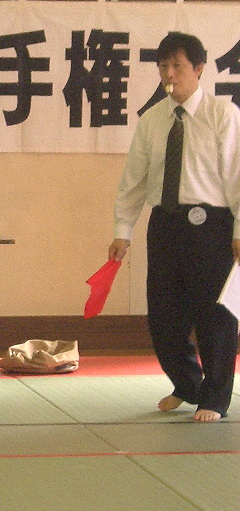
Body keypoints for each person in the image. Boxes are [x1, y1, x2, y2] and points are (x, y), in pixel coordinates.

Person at [108, 32, 240, 422]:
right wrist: (122, 229)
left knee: (214, 316)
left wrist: (238, 230)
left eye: (177, 66)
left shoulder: (223, 115)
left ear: (198, 69)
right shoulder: (152, 119)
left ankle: (215, 398)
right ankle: (188, 384)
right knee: (164, 317)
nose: (169, 74)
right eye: (163, 66)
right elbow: (133, 180)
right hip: (164, 224)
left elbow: (237, 176)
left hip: (212, 225)